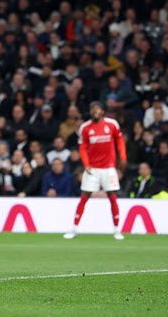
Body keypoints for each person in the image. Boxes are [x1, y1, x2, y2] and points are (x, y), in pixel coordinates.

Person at [64, 101, 127, 240]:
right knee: (84, 197)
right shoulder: (85, 127)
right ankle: (74, 228)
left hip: (109, 168)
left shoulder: (112, 124)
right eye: (93, 109)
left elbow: (120, 141)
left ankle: (117, 230)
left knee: (112, 197)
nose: (95, 111)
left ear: (102, 111)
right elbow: (82, 147)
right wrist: (86, 164)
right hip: (92, 169)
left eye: (97, 109)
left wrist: (123, 157)